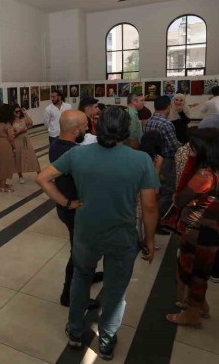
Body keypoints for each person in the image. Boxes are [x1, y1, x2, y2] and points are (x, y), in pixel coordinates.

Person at [36, 106, 160, 361]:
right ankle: (106, 341)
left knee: (81, 277)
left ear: (97, 127)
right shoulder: (141, 160)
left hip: (86, 231)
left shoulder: (77, 154)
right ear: (126, 131)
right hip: (121, 235)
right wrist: (149, 239)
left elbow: (43, 178)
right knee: (115, 289)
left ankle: (75, 331)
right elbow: (149, 206)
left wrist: (67, 203)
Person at [166, 128, 219, 328]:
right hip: (214, 226)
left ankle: (192, 314)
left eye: (194, 147)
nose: (191, 150)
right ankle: (200, 304)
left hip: (198, 229)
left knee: (193, 271)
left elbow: (180, 199)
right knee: (201, 270)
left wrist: (180, 197)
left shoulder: (205, 175)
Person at [173, 115, 219, 283]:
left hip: (206, 201)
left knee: (205, 236)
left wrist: (179, 193)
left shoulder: (204, 158)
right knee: (217, 237)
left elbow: (188, 174)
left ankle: (202, 269)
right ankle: (212, 269)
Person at [49, 110, 103, 311]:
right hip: (74, 211)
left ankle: (87, 276)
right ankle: (69, 296)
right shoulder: (72, 152)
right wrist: (67, 203)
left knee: (81, 251)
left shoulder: (59, 144)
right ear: (75, 130)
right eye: (85, 126)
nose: (88, 129)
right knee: (79, 254)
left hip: (71, 208)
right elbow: (43, 179)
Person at [144, 96, 182, 235]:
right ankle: (158, 221)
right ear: (168, 107)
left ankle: (151, 220)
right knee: (167, 191)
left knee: (154, 191)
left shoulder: (149, 121)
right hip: (165, 160)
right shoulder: (166, 123)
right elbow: (173, 146)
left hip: (151, 158)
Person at [12, 104, 41, 183]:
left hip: (26, 140)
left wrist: (25, 113)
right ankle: (20, 176)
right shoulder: (11, 122)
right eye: (16, 111)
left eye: (19, 111)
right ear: (13, 112)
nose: (18, 112)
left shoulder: (23, 118)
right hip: (17, 141)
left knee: (33, 157)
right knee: (18, 158)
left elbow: (31, 123)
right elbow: (11, 135)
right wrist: (20, 132)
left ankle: (40, 174)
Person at [0, 104, 17, 193]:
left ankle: (2, 184)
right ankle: (2, 187)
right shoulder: (7, 124)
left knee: (0, 164)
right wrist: (14, 147)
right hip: (5, 144)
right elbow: (11, 137)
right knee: (6, 164)